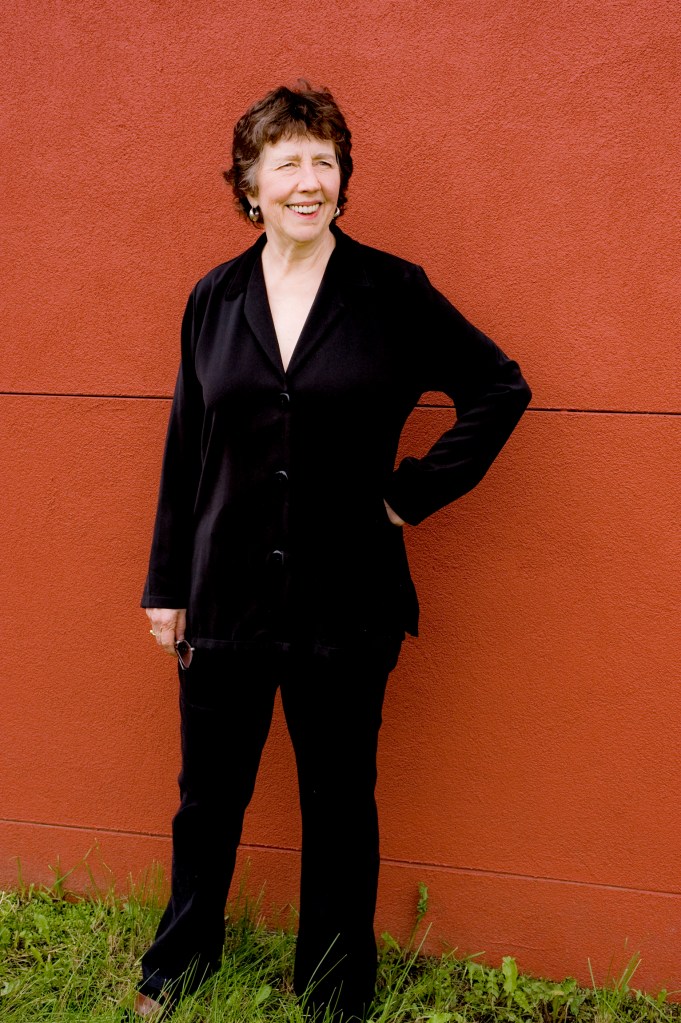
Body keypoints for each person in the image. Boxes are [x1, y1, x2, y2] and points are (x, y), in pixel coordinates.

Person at [134, 80, 531, 1021]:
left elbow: (498, 388)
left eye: (325, 162)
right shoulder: (214, 298)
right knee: (207, 798)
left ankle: (334, 988)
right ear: (250, 185)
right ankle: (179, 965)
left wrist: (408, 493)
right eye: (287, 164)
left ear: (343, 180)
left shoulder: (392, 291)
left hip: (347, 597)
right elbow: (188, 445)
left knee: (339, 801)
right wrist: (166, 585)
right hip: (225, 595)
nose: (308, 181)